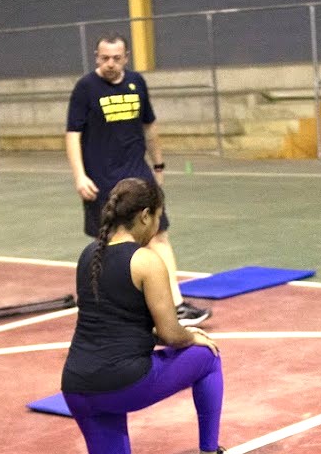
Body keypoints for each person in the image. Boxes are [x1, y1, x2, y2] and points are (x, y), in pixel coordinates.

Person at [18, 178, 242, 454]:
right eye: (158, 217)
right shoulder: (146, 261)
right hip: (124, 384)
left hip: (77, 387)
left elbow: (116, 323)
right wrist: (194, 336)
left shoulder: (89, 255)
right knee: (207, 356)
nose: (158, 226)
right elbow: (170, 334)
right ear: (144, 216)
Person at [65, 32, 211, 328]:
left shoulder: (137, 82)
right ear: (96, 58)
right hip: (102, 180)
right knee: (108, 243)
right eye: (105, 58)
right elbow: (72, 134)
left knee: (159, 235)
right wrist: (79, 175)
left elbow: (150, 127)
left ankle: (176, 305)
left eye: (116, 58)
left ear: (126, 58)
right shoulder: (85, 88)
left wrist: (158, 165)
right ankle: (109, 306)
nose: (110, 63)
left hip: (139, 174)